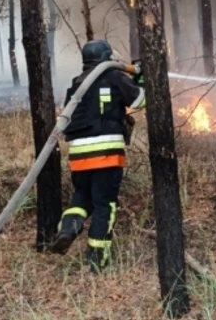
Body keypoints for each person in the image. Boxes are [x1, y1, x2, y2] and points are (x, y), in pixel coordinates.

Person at [49, 39, 145, 272]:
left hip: (79, 156)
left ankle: (69, 228)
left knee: (82, 197)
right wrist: (142, 79)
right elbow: (140, 101)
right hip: (106, 155)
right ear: (105, 57)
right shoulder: (113, 76)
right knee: (105, 205)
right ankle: (97, 257)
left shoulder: (77, 84)